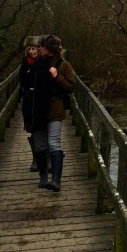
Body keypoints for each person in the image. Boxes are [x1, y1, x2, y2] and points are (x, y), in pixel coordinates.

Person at [36, 34, 76, 192]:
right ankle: (43, 177)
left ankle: (56, 181)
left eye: (42, 46)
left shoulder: (64, 65)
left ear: (50, 48)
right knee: (40, 145)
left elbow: (71, 88)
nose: (39, 48)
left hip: (56, 108)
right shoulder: (39, 63)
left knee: (54, 142)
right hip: (39, 108)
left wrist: (56, 76)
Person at [21, 36, 52, 188]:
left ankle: (48, 161)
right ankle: (39, 163)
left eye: (35, 48)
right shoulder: (24, 64)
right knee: (34, 131)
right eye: (30, 49)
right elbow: (22, 82)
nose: (32, 51)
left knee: (49, 135)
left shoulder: (45, 62)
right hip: (30, 103)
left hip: (43, 103)